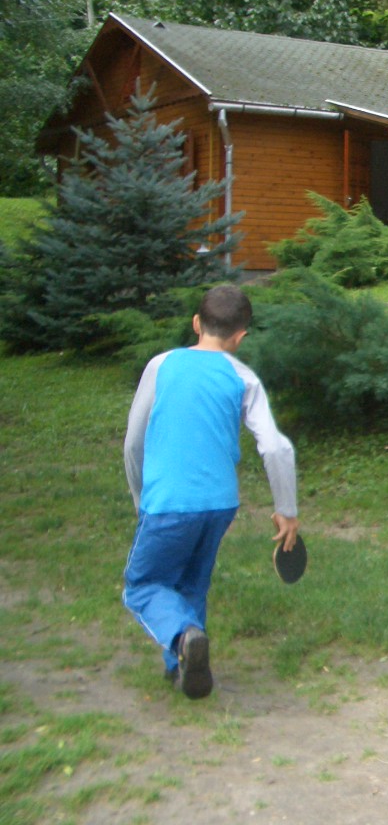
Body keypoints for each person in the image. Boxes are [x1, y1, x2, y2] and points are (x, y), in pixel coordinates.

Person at [122, 284, 298, 699]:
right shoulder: (243, 377)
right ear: (240, 336)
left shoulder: (162, 364)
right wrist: (286, 510)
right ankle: (184, 667)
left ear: (196, 323)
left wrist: (140, 497)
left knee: (143, 585)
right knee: (192, 585)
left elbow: (133, 442)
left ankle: (183, 638)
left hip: (169, 501)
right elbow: (276, 446)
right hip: (220, 503)